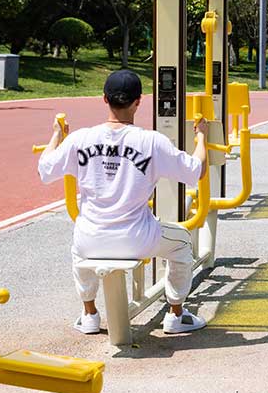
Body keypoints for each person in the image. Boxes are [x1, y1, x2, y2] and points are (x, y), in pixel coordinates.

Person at [38, 69, 209, 335]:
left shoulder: (80, 138)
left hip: (91, 238)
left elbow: (45, 170)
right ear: (138, 101)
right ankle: (176, 314)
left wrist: (57, 136)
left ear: (104, 99)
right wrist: (202, 137)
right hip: (137, 239)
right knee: (182, 242)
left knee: (78, 248)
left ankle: (89, 313)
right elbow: (197, 170)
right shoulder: (151, 141)